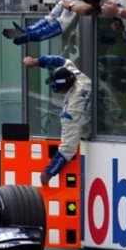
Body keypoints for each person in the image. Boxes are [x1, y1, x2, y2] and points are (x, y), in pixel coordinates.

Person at [23, 55, 91, 186]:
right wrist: (36, 61)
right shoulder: (80, 77)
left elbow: (68, 149)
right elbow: (61, 61)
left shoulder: (71, 111)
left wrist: (49, 172)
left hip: (94, 129)